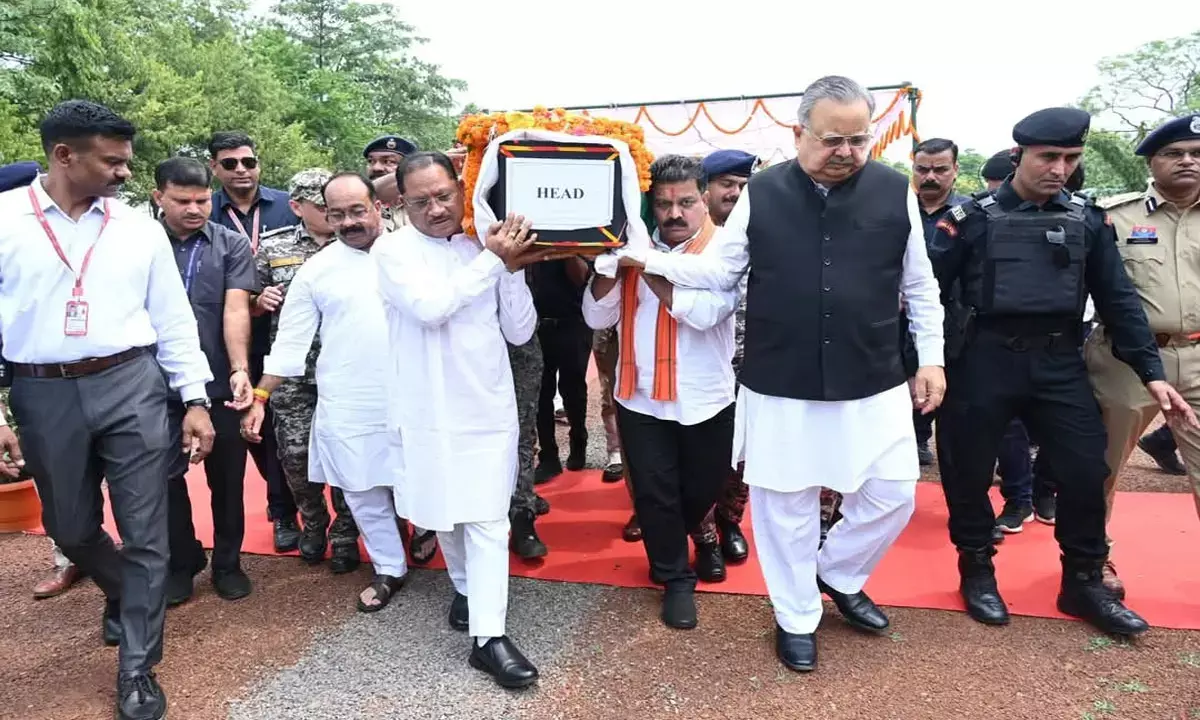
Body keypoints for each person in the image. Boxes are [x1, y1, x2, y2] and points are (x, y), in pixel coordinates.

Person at [609, 76, 946, 673]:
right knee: (785, 505)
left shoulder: (894, 190)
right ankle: (795, 616)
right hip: (780, 377)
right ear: (799, 133)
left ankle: (837, 572)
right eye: (832, 140)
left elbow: (920, 284)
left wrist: (932, 358)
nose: (846, 152)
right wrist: (646, 259)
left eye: (858, 140)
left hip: (872, 373)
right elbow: (720, 273)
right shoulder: (761, 193)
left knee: (893, 492)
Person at [929, 107, 1194, 636]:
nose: (1060, 169)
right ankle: (977, 570)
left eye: (1071, 158)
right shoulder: (970, 218)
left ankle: (1083, 581)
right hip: (982, 359)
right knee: (968, 470)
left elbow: (1119, 300)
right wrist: (925, 365)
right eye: (1048, 157)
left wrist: (1151, 371)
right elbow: (926, 294)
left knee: (1085, 470)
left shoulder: (1087, 219)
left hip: (1058, 361)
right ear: (1018, 155)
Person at [0, 99, 215, 720]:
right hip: (42, 390)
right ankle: (124, 589)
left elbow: (173, 318)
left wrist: (194, 398)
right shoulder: (5, 220)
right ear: (64, 155)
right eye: (113, 161)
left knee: (146, 529)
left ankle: (137, 668)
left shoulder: (137, 229)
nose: (125, 172)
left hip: (131, 383)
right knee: (69, 527)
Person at [375, 150, 552, 688]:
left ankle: (488, 639)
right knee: (445, 512)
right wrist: (494, 261)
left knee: (488, 519)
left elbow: (519, 331)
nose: (435, 209)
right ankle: (467, 591)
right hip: (425, 408)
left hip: (486, 406)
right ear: (401, 204)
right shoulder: (392, 251)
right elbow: (431, 308)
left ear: (461, 189)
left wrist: (512, 272)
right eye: (420, 201)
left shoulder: (482, 245)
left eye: (443, 196)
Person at [243, 171, 411, 612]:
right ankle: (390, 567)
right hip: (349, 398)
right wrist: (260, 397)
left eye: (357, 210)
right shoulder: (317, 270)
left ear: (378, 207)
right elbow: (290, 343)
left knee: (422, 478)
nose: (349, 222)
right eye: (337, 214)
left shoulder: (413, 252)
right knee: (361, 488)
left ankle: (455, 566)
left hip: (416, 392)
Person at [584, 154, 738, 626]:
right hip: (641, 396)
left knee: (703, 487)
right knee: (654, 493)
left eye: (686, 202)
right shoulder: (631, 247)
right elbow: (595, 316)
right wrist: (610, 266)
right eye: (664, 204)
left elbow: (704, 314)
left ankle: (680, 536)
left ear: (705, 199)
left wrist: (643, 264)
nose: (674, 214)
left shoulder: (724, 250)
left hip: (706, 398)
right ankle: (674, 577)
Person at [1083, 113, 1200, 595]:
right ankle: (1092, 559)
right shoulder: (1114, 217)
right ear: (1152, 162)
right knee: (1102, 466)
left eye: (1196, 154)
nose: (1188, 161)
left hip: (1198, 355)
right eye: (1174, 153)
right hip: (1125, 360)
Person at [152, 157, 256, 605]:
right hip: (155, 384)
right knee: (164, 479)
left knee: (228, 479)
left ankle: (228, 563)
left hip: (217, 381)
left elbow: (235, 310)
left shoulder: (230, 244)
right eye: (182, 201)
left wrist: (239, 369)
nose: (194, 209)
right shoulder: (140, 243)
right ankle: (182, 560)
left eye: (202, 200)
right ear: (159, 197)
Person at [255, 169, 361, 572]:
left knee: (346, 454)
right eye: (322, 206)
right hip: (292, 375)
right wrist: (257, 300)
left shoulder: (357, 243)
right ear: (297, 207)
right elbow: (246, 302)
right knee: (296, 457)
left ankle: (346, 534)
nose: (331, 214)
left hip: (344, 369)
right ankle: (314, 522)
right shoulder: (273, 246)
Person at [208, 130, 301, 553]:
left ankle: (294, 506)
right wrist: (251, 300)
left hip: (284, 332)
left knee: (285, 423)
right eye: (230, 164)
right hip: (230, 335)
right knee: (252, 427)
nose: (241, 170)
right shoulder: (204, 210)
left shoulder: (288, 205)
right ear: (215, 168)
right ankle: (280, 508)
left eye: (248, 161)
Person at [687, 148, 756, 581]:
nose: (735, 193)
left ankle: (731, 522)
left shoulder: (762, 233)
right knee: (700, 459)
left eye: (744, 187)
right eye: (726, 184)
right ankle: (705, 539)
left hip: (754, 367)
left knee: (744, 457)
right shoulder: (690, 240)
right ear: (704, 191)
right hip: (702, 365)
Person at [530, 255, 593, 484]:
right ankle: (549, 457)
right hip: (536, 324)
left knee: (573, 389)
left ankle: (579, 438)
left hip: (573, 322)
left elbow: (581, 277)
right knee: (541, 393)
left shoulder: (576, 241)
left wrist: (565, 248)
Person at [364, 134, 417, 232]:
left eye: (389, 161)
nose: (376, 168)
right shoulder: (361, 206)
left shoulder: (422, 205)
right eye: (371, 161)